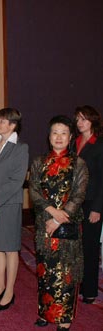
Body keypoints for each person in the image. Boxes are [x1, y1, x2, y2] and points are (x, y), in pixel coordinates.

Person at [29, 115, 88, 331]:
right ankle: (45, 312)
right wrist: (51, 213)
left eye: (64, 133)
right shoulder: (38, 162)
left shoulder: (79, 164)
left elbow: (79, 195)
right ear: (49, 136)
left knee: (66, 271)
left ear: (71, 137)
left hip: (66, 224)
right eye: (55, 132)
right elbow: (34, 190)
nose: (59, 137)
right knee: (45, 270)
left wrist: (58, 218)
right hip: (44, 224)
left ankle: (64, 317)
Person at [0, 108, 29, 311]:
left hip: (7, 204)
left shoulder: (20, 147)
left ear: (13, 125)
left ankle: (10, 291)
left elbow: (16, 181)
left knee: (10, 248)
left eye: (2, 121)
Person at [72, 105, 103, 304]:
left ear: (92, 120)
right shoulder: (74, 142)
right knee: (78, 247)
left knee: (90, 247)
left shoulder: (99, 144)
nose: (80, 122)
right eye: (77, 119)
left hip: (93, 202)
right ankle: (81, 284)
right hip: (76, 202)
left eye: (83, 118)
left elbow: (102, 179)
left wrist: (98, 208)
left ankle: (90, 289)